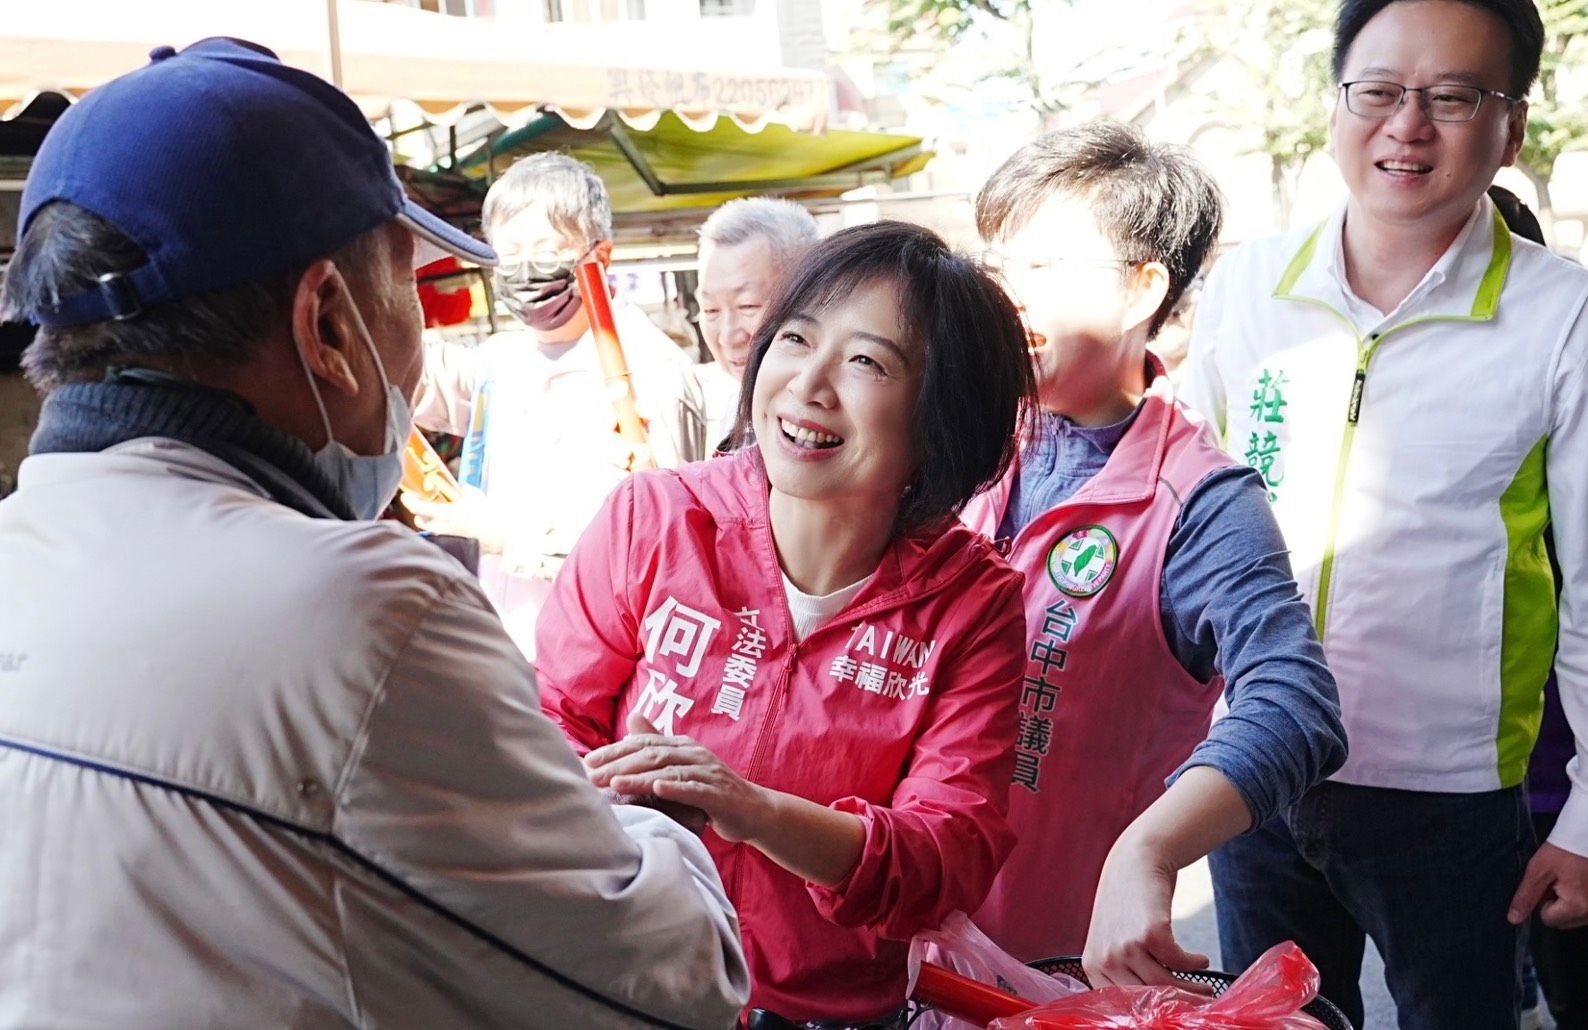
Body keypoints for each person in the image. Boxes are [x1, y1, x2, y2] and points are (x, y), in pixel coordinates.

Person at [0, 39, 748, 1028]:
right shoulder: (364, 610)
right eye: (413, 291)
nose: (420, 346)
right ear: (328, 325)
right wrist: (641, 826)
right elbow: (676, 982)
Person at [1181, 1, 1588, 1025]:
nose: (1407, 124)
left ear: (1512, 127)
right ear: (1337, 105)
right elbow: (1182, 531)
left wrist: (1587, 817)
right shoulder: (1246, 290)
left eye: (1453, 97)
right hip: (1251, 772)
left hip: (1448, 796)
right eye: (1379, 91)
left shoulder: (1562, 317)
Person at [537, 221, 1036, 1025]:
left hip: (828, 1013)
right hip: (625, 979)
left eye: (868, 361)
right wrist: (607, 805)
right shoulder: (655, 518)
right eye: (796, 338)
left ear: (943, 414)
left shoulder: (972, 602)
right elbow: (547, 720)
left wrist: (755, 811)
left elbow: (945, 857)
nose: (808, 383)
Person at [963, 122, 1348, 987]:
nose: (1006, 298)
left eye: (1043, 267)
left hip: (1057, 970)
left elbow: (1296, 702)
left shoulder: (1202, 499)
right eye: (996, 267)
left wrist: (1150, 850)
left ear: (1143, 287)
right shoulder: (957, 442)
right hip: (895, 926)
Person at [407, 153, 707, 660]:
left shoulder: (651, 374)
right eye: (509, 255)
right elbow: (423, 382)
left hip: (604, 663)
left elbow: (663, 545)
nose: (525, 272)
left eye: (546, 252)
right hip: (506, 650)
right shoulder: (503, 357)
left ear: (600, 255)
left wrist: (509, 536)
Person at [694, 197, 821, 445]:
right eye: (710, 310)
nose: (728, 337)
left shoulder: (829, 414)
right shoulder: (737, 406)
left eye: (747, 306)